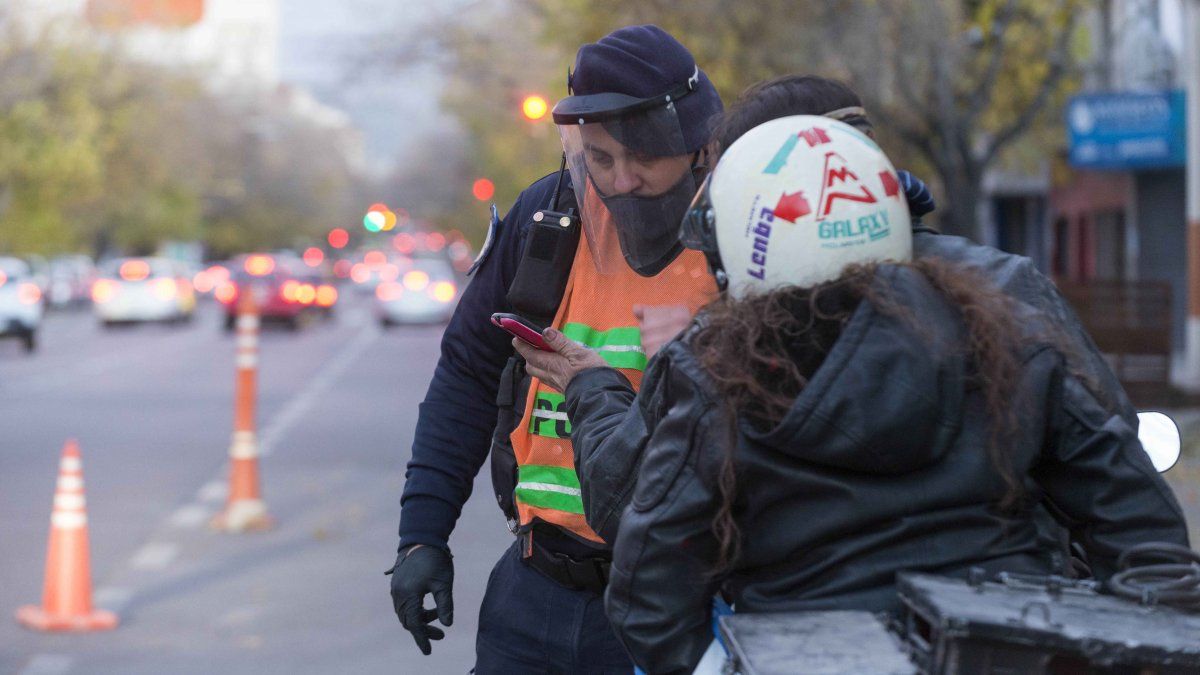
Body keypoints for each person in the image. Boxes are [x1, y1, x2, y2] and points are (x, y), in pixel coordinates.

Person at [518, 115, 1190, 674]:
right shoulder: (1013, 332)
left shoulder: (713, 377)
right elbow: (1148, 542)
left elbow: (645, 591)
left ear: (737, 251)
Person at [522, 76, 1141, 559]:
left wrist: (592, 387)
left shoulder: (725, 338)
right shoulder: (1010, 286)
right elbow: (1117, 481)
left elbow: (626, 508)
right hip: (1005, 619)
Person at [388, 25, 724, 673]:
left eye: (647, 156)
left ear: (697, 143)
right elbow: (466, 371)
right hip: (533, 592)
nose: (624, 179)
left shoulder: (739, 228)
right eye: (602, 157)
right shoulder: (551, 215)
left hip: (676, 602)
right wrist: (421, 535)